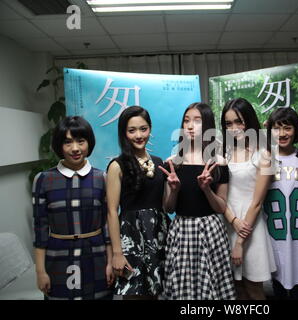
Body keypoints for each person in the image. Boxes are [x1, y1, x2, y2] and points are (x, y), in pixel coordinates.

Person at [32, 116, 113, 300]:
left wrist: (110, 262)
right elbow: (40, 229)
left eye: (81, 141)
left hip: (96, 256)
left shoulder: (102, 178)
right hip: (57, 257)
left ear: (89, 143)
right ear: (59, 145)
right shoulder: (44, 180)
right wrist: (40, 271)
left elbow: (107, 224)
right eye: (68, 142)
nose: (75, 148)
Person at [160, 102, 235, 300]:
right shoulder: (173, 161)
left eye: (197, 120)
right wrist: (174, 190)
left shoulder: (218, 162)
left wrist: (207, 189)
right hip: (182, 230)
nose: (190, 126)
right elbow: (168, 207)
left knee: (213, 287)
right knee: (183, 290)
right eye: (186, 121)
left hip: (211, 231)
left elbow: (221, 207)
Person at [106, 106, 169, 299]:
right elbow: (111, 211)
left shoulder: (159, 163)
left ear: (150, 129)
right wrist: (117, 253)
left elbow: (166, 207)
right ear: (124, 133)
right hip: (130, 239)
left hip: (159, 236)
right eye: (132, 130)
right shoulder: (117, 166)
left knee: (158, 293)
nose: (139, 135)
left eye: (143, 129)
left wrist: (173, 188)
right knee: (133, 294)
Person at [221, 98, 276, 300]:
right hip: (227, 225)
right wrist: (232, 219)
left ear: (250, 121)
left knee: (253, 288)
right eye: (228, 123)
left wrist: (240, 242)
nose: (234, 128)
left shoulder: (264, 154)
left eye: (239, 121)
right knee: (236, 289)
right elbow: (221, 196)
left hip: (250, 229)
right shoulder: (223, 153)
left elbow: (257, 202)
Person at [264, 107, 298, 299]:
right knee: (277, 287)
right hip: (274, 236)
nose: (282, 133)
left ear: (296, 130)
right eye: (277, 128)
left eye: (287, 128)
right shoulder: (265, 159)